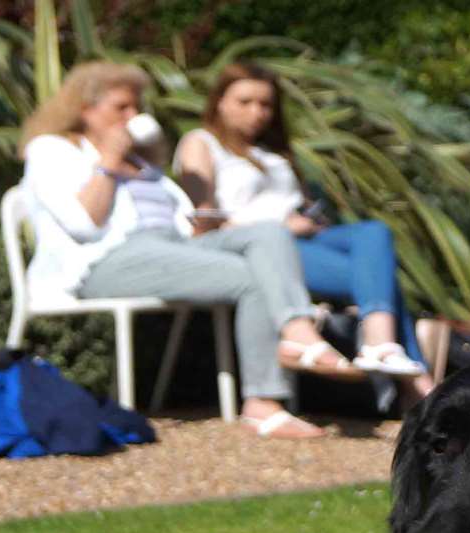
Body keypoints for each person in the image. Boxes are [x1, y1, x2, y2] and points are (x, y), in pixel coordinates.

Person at [19, 62, 355, 440]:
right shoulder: (52, 151)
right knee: (251, 278)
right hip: (104, 262)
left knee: (268, 233)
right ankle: (263, 403)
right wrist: (109, 161)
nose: (134, 116)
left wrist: (206, 215)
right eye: (121, 108)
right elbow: (84, 224)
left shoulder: (142, 162)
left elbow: (183, 223)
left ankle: (297, 331)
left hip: (173, 247)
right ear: (85, 109)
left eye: (136, 107)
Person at [174, 62, 434, 408]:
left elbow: (302, 204)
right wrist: (280, 225)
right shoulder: (201, 143)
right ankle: (415, 381)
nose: (257, 112)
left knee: (374, 232)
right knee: (379, 278)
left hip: (308, 238)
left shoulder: (275, 153)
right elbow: (203, 221)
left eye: (265, 104)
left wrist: (309, 216)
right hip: (260, 245)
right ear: (219, 101)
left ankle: (384, 349)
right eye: (245, 101)